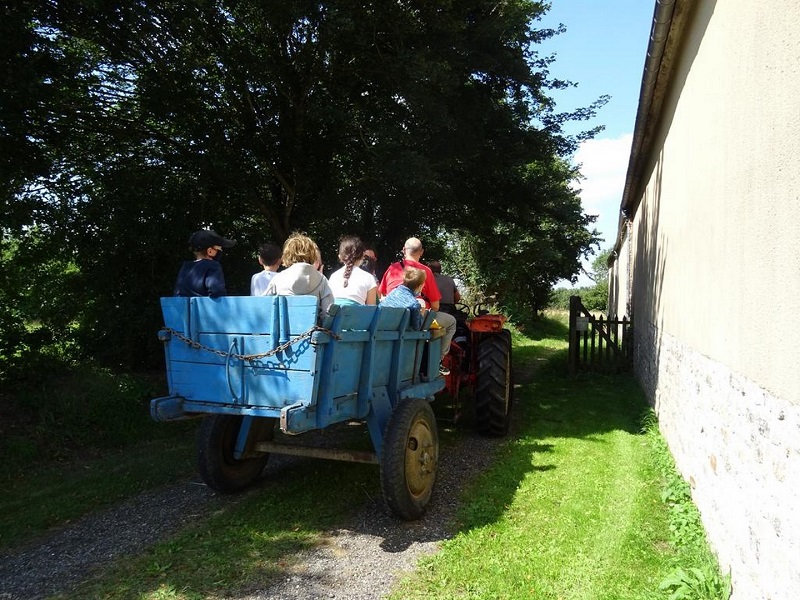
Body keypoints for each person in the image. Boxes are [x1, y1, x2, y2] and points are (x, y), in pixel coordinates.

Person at [379, 237, 456, 375]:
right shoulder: (425, 272)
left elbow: (382, 295)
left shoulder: (392, 269)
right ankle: (438, 361)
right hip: (416, 318)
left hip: (390, 321)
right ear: (421, 252)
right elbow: (436, 306)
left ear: (404, 250)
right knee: (451, 322)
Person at [265, 233, 334, 322]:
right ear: (313, 254)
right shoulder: (322, 280)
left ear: (287, 255)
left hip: (283, 332)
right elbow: (327, 313)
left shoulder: (277, 279)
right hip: (312, 333)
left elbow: (265, 307)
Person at [174, 229, 235, 298]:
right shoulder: (213, 266)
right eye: (219, 249)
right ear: (210, 251)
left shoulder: (185, 267)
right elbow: (217, 292)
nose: (220, 252)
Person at [328, 236, 378, 305]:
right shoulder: (369, 278)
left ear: (340, 256)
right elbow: (371, 310)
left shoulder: (333, 277)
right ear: (363, 255)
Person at [379, 267, 427, 331]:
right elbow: (416, 327)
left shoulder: (393, 293)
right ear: (420, 286)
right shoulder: (414, 304)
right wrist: (422, 313)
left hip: (378, 331)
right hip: (397, 337)